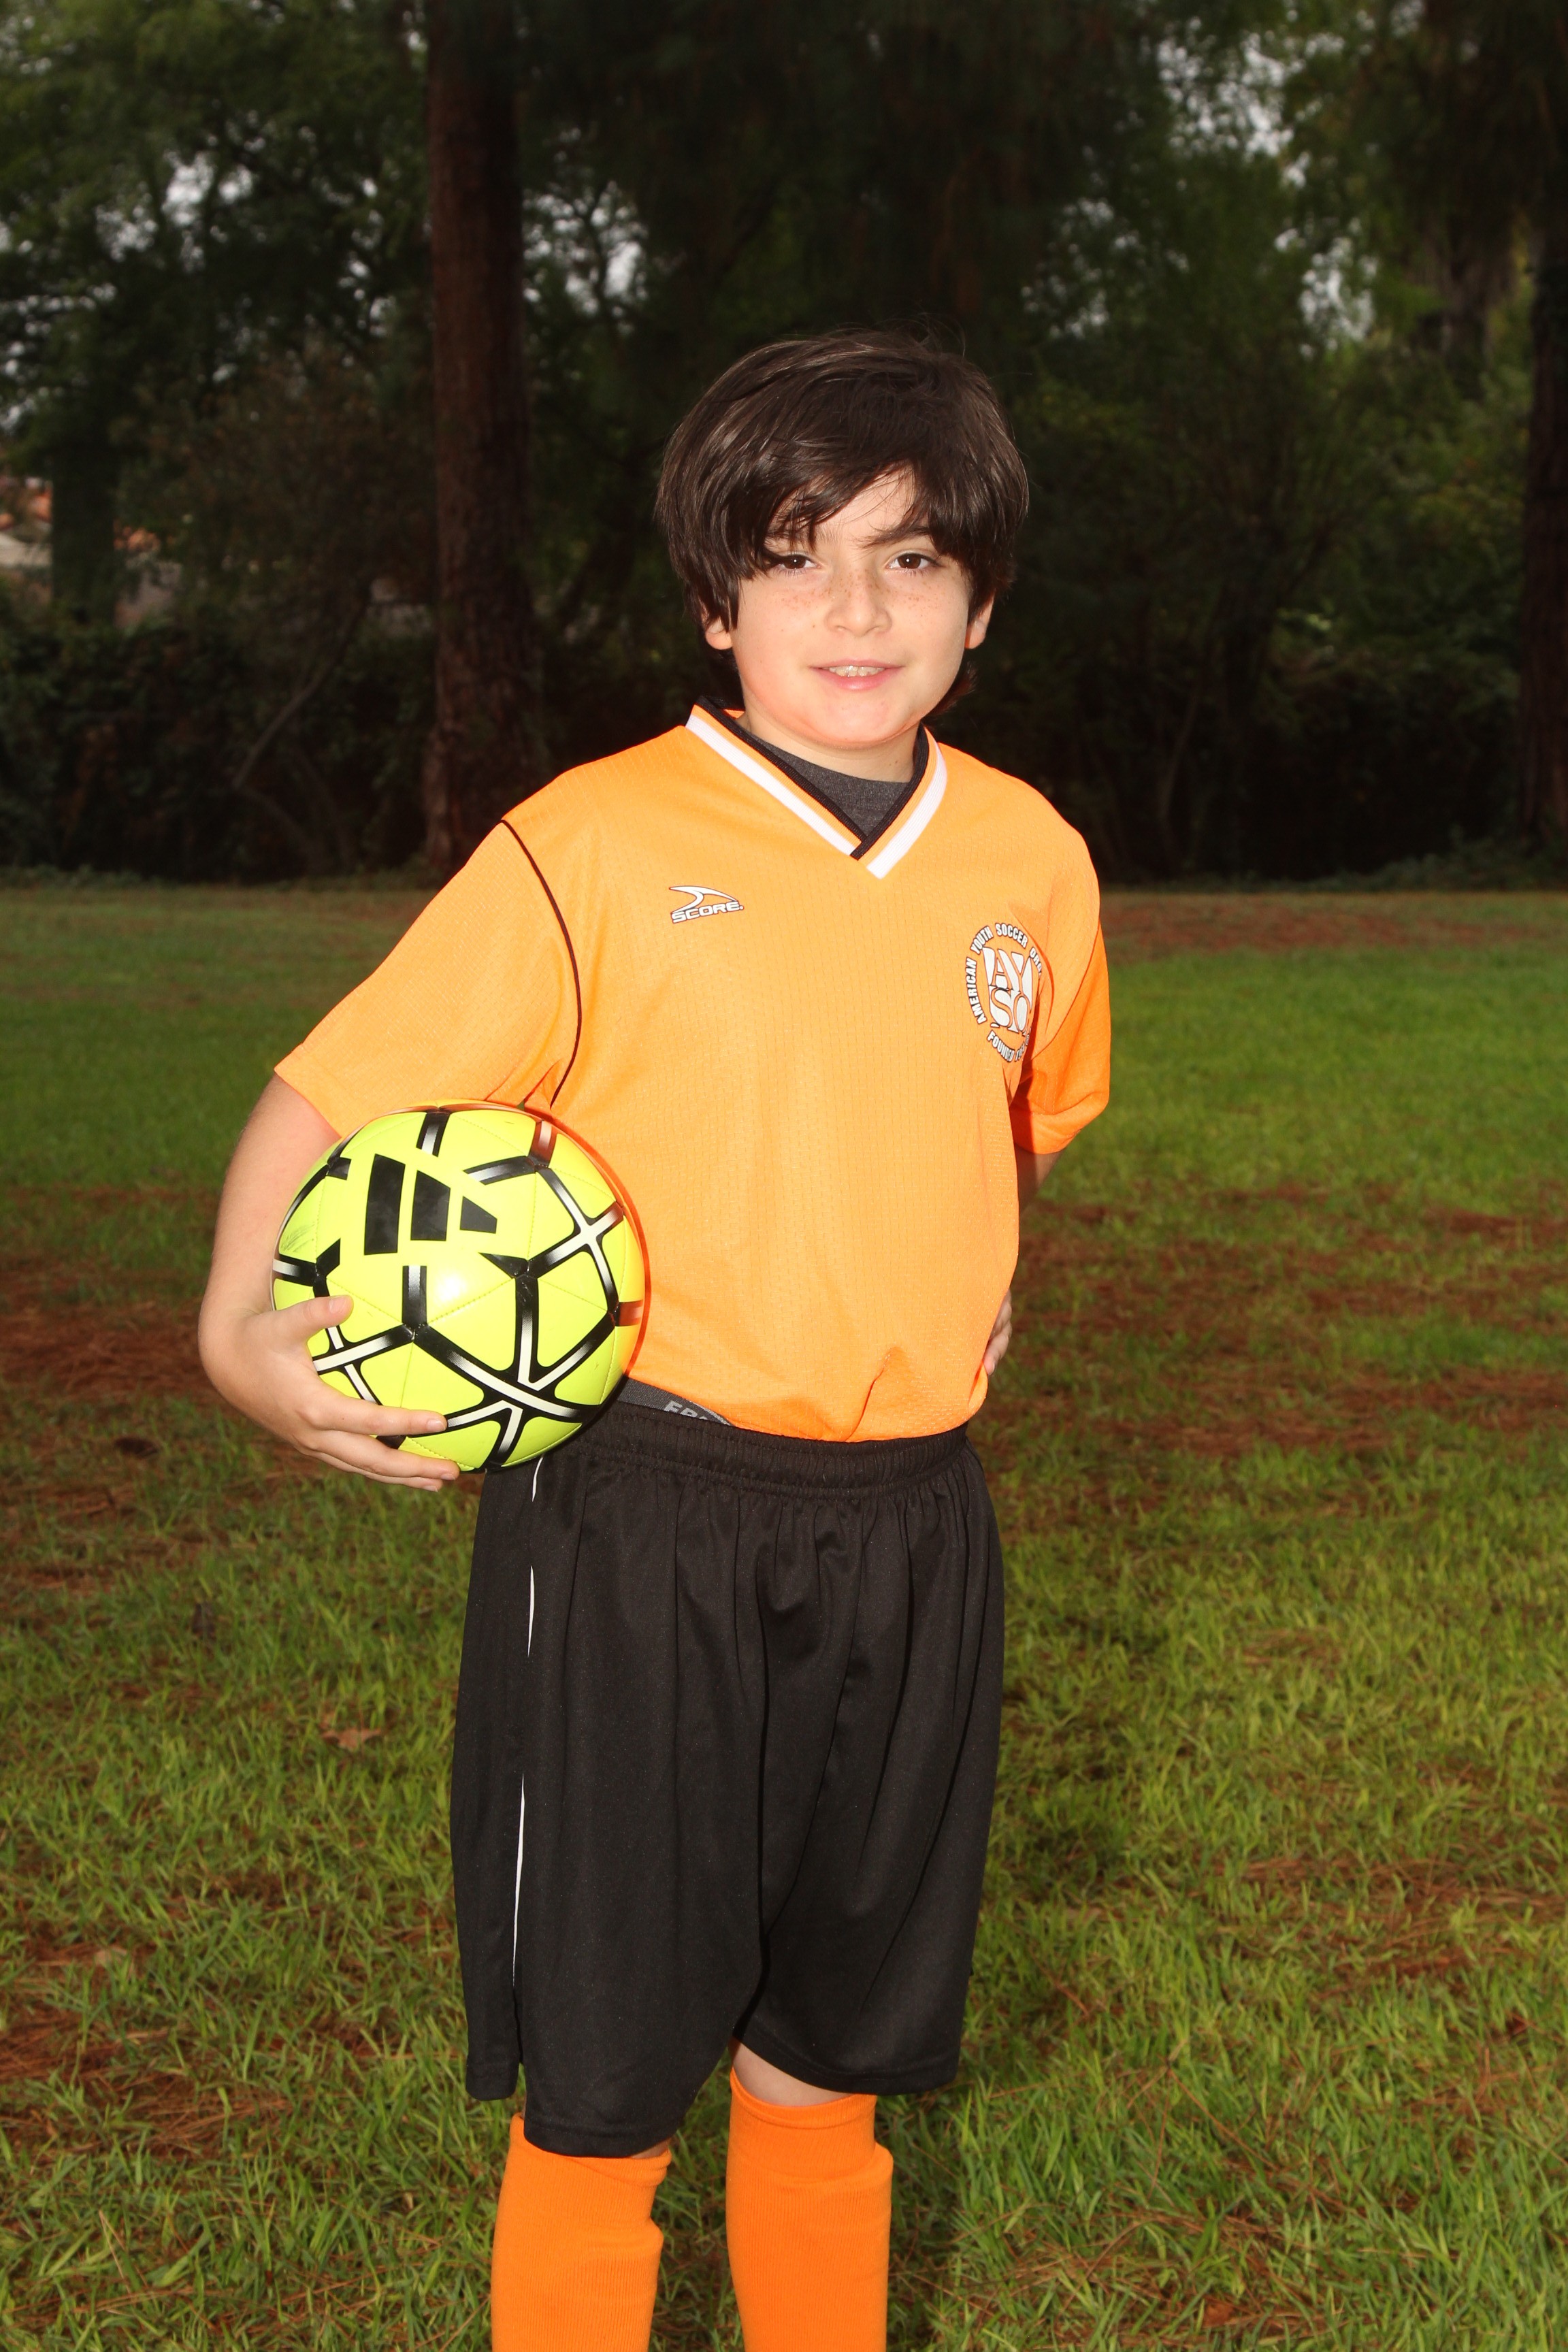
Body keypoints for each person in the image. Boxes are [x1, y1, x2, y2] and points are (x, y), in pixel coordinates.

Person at [198, 328, 1111, 2352]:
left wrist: (952, 1286)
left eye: (909, 559)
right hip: (644, 1513)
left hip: (913, 1526)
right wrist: (233, 1326)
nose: (855, 609)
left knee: (829, 2063)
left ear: (980, 603)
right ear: (715, 600)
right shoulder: (595, 845)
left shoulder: (1030, 862)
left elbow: (1011, 1125)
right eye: (796, 558)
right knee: (605, 2086)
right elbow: (332, 1088)